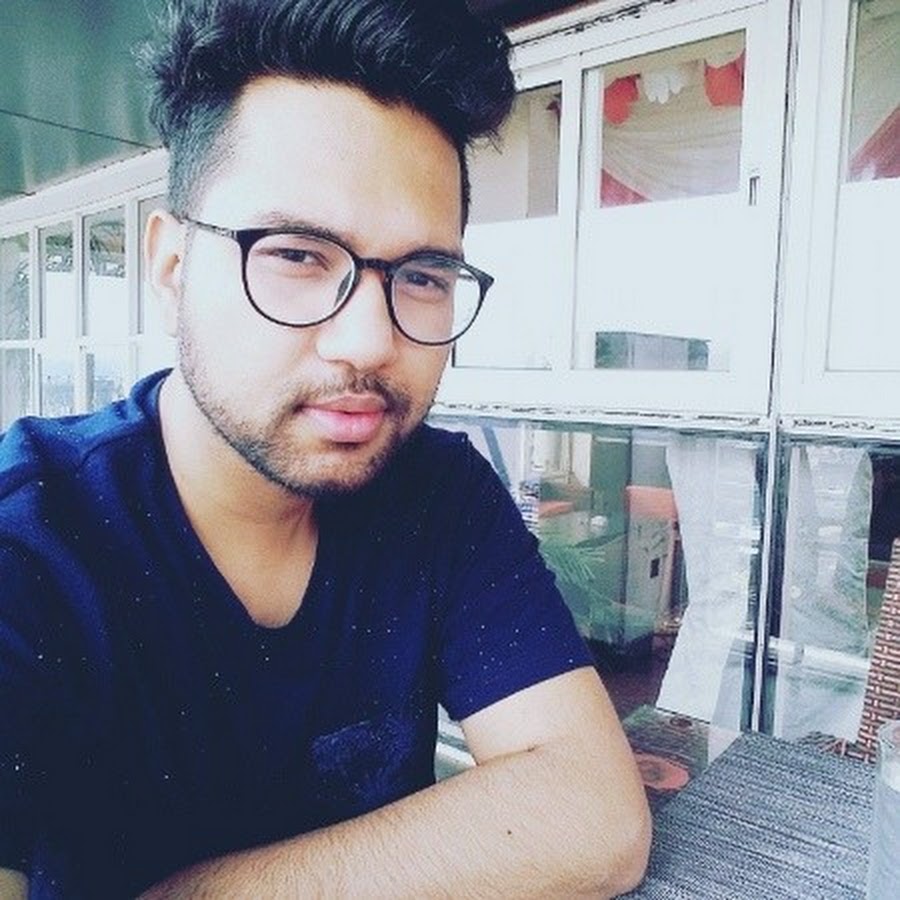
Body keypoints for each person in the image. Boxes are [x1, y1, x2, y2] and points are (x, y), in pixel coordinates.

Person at [0, 1, 650, 896]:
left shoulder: (436, 492)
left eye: (421, 275)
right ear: (172, 268)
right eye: (298, 255)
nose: (370, 341)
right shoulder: (32, 549)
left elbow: (594, 813)